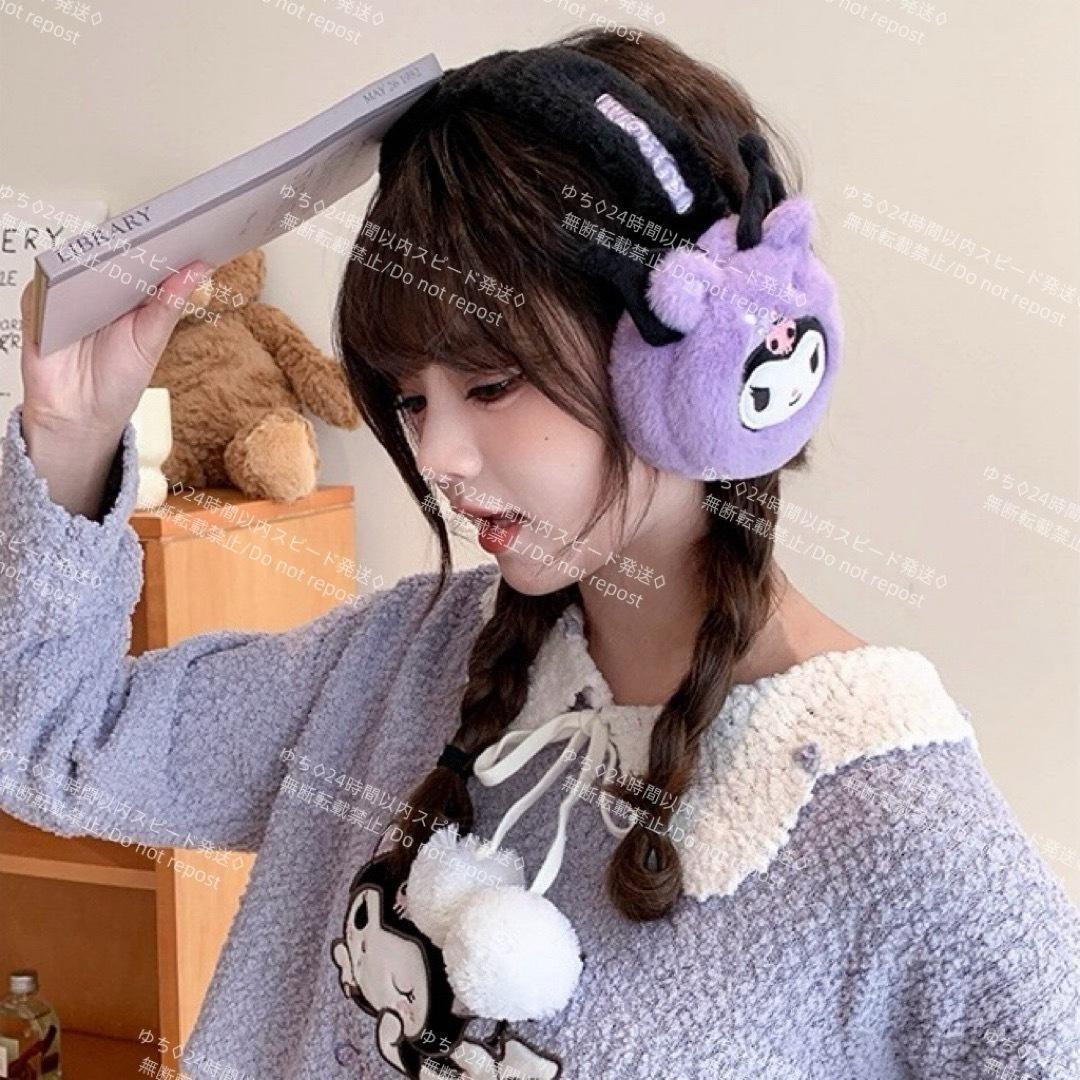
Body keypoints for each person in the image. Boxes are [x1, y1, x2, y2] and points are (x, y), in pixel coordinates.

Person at [2, 28, 1077, 1080]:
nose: (437, 454)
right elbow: (53, 739)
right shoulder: (403, 663)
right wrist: (71, 435)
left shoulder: (892, 823)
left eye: (490, 383)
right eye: (411, 398)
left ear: (700, 367)